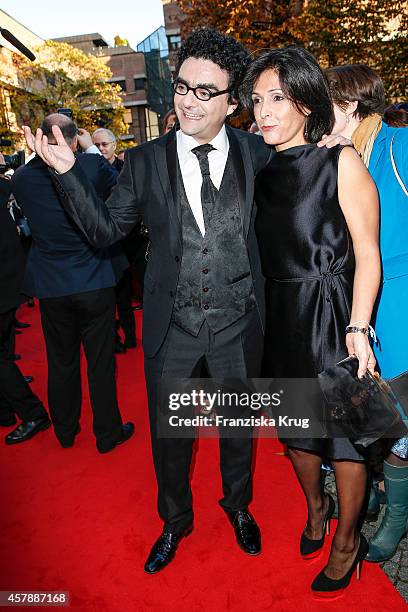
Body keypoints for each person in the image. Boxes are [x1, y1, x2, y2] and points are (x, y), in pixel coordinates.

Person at [240, 47, 381, 597]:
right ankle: (316, 508)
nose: (264, 112)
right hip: (280, 318)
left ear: (304, 101)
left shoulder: (340, 161)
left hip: (333, 314)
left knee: (346, 443)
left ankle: (347, 544)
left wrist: (358, 326)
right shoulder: (260, 169)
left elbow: (367, 254)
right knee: (297, 437)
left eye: (277, 98)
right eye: (256, 101)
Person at [11, 113, 134, 453]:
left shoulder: (21, 177)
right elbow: (118, 179)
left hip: (52, 283)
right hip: (93, 277)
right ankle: (107, 434)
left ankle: (65, 431)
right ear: (71, 139)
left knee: (61, 361)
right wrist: (91, 149)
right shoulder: (90, 168)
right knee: (100, 362)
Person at [326, 64, 408, 563]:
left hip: (401, 299)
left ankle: (397, 517)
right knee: (366, 406)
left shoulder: (400, 145)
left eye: (321, 105)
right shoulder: (341, 156)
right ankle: (378, 489)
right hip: (359, 298)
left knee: (402, 417)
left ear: (349, 106)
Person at [0, 165, 50, 443]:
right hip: (11, 284)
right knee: (4, 353)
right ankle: (5, 410)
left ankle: (32, 413)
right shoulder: (4, 186)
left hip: (6, 285)